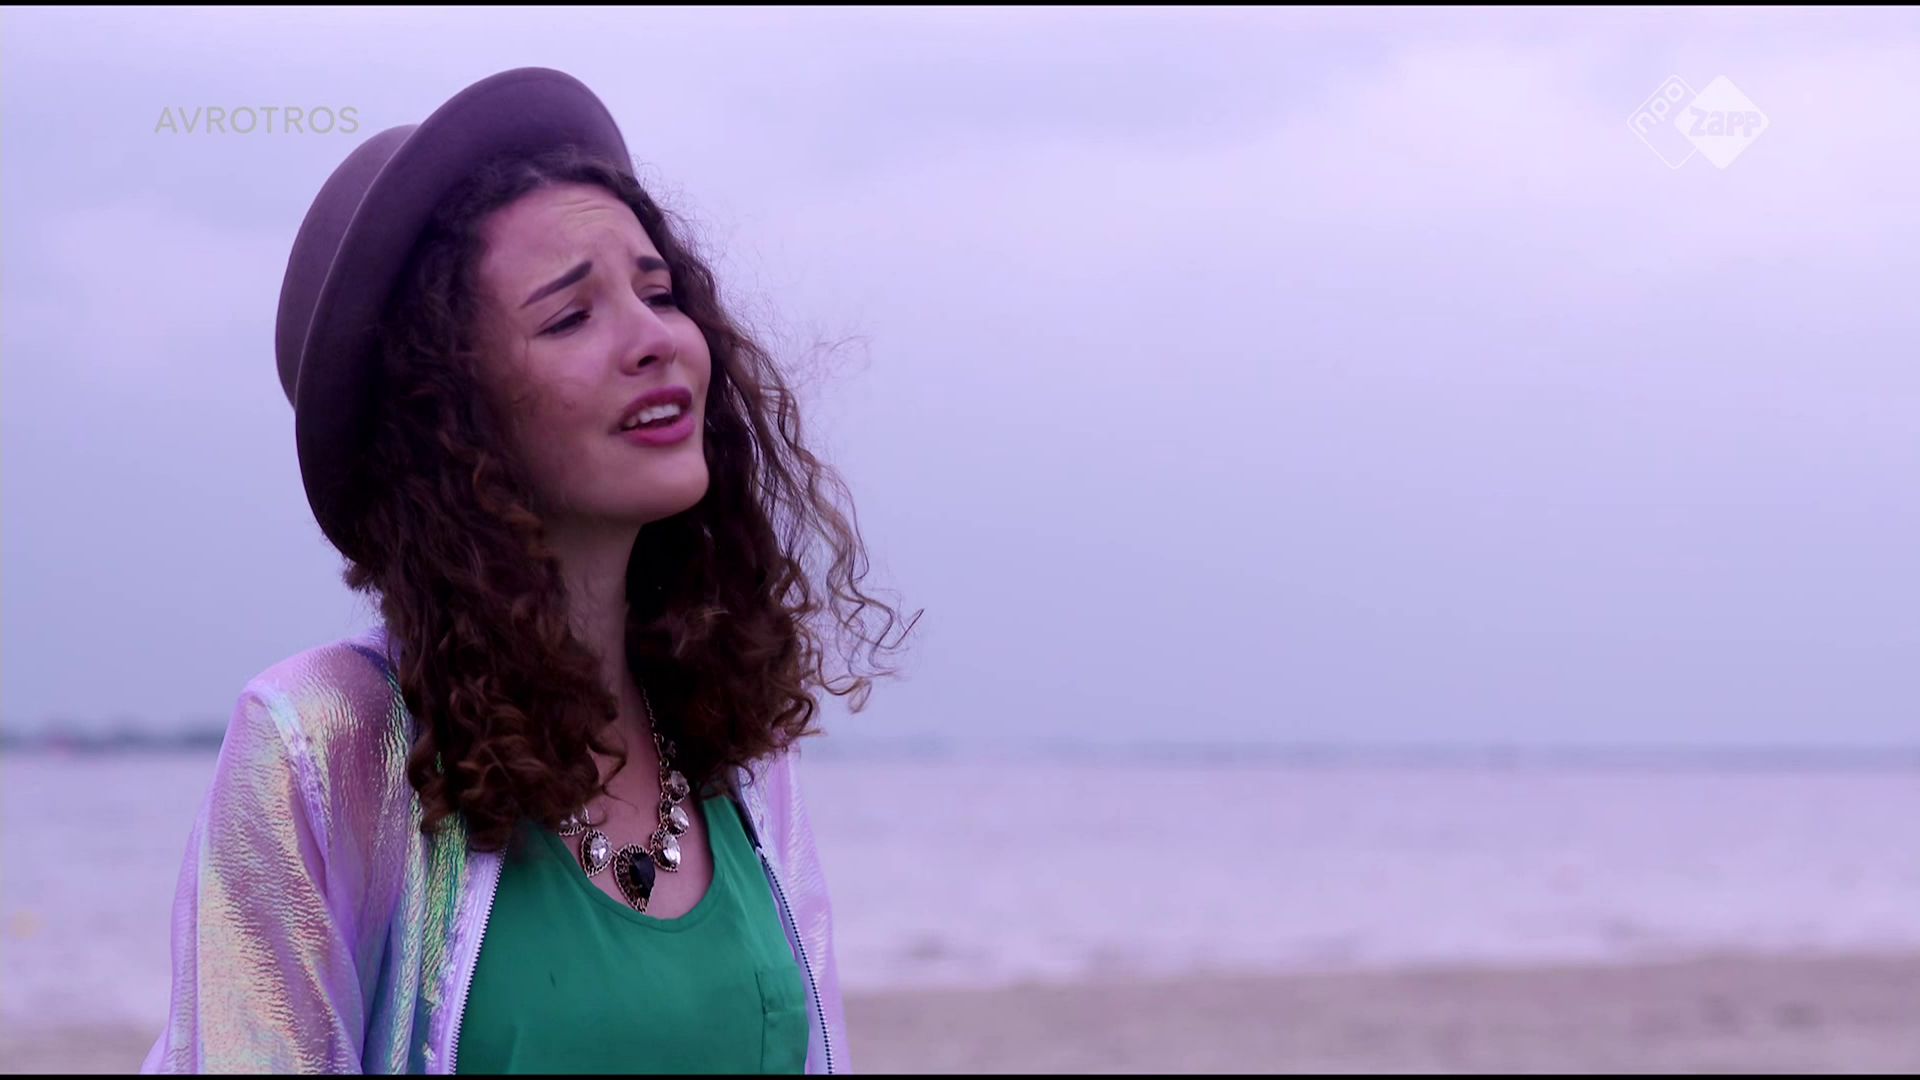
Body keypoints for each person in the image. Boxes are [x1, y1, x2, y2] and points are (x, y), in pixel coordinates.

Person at [141, 66, 917, 1075]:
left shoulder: (735, 742)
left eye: (658, 293)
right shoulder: (326, 744)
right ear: (450, 416)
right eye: (570, 317)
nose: (656, 340)